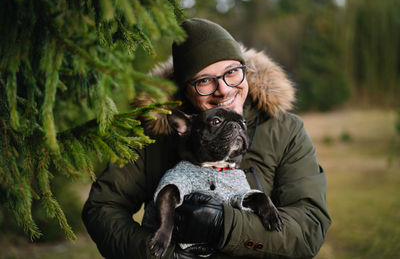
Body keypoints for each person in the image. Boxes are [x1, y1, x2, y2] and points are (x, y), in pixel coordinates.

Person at [82, 18, 331, 259]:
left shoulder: (285, 130)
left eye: (232, 72)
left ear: (245, 70)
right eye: (204, 81)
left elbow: (310, 227)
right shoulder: (154, 132)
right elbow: (102, 208)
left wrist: (226, 226)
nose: (223, 89)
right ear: (185, 89)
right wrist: (163, 254)